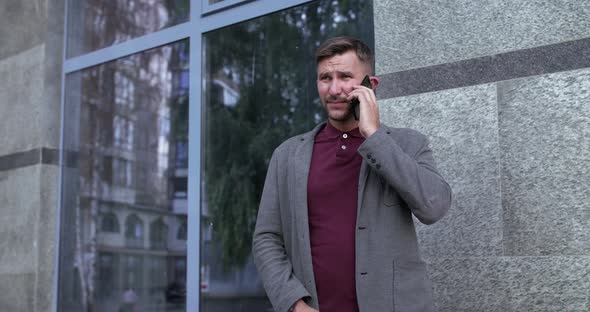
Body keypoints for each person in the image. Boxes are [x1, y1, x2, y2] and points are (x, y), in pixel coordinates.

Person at [252, 36, 452, 312]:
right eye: (325, 78)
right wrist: (293, 303)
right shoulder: (287, 155)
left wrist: (374, 135)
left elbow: (434, 207)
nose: (334, 89)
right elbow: (266, 238)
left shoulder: (408, 144)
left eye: (345, 76)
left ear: (371, 84)